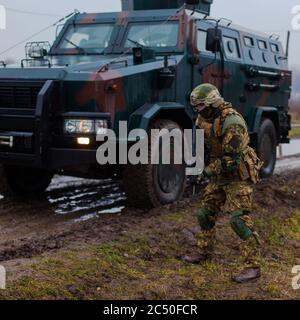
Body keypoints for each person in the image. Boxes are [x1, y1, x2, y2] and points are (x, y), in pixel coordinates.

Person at [184, 83, 263, 283]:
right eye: (196, 107)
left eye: (200, 106)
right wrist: (196, 166)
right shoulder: (203, 118)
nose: (197, 110)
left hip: (238, 175)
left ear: (212, 103)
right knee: (205, 213)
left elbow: (232, 160)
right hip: (219, 174)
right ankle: (204, 252)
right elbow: (201, 146)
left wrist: (208, 171)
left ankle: (252, 266)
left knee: (238, 220)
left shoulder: (232, 122)